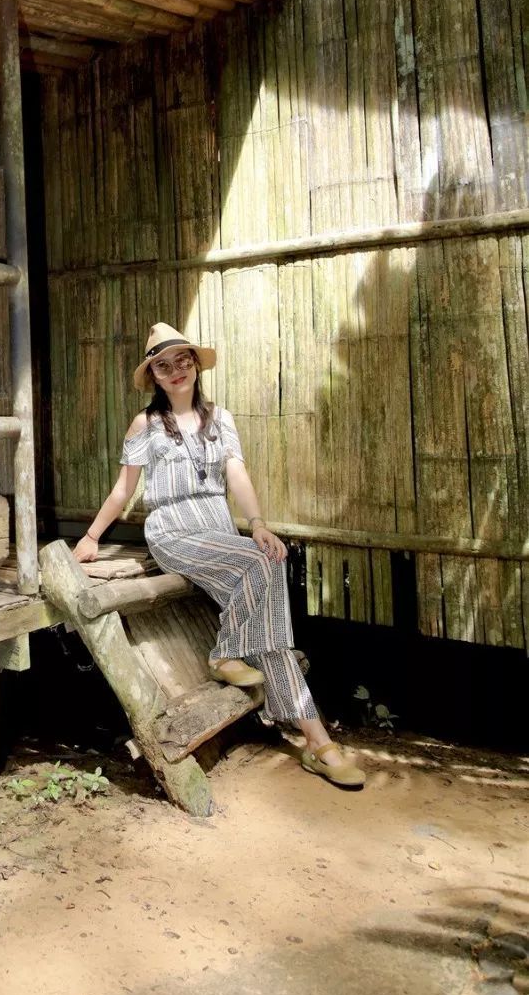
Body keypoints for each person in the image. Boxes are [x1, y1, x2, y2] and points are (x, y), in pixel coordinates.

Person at [72, 322, 364, 789]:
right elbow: (124, 489)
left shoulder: (220, 418)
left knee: (268, 585)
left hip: (219, 533)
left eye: (182, 360)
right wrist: (91, 537)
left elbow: (237, 475)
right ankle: (228, 655)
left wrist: (258, 524)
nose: (175, 370)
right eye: (162, 366)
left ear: (195, 364)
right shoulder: (145, 425)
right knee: (260, 565)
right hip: (174, 532)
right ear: (154, 376)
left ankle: (316, 741)